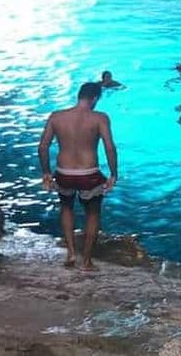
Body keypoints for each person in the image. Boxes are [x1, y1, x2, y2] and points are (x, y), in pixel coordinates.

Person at [38, 82, 118, 271]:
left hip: (64, 172)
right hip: (88, 174)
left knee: (66, 207)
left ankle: (71, 253)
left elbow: (42, 147)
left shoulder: (56, 116)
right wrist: (114, 174)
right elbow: (109, 147)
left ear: (79, 96)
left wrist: (47, 173)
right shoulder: (100, 118)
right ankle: (87, 261)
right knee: (93, 213)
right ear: (95, 98)